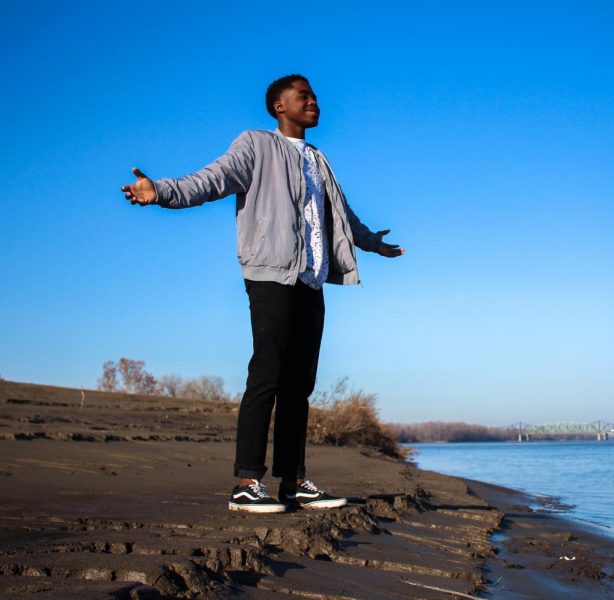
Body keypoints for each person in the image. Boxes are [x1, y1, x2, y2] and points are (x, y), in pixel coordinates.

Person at [120, 74, 403, 513]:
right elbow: (212, 179)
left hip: (310, 279)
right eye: (303, 96)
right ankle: (246, 483)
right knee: (267, 373)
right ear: (278, 106)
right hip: (270, 274)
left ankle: (293, 481)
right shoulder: (256, 145)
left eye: (314, 96)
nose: (314, 102)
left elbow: (341, 213)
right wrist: (162, 192)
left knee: (299, 385)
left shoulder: (318, 159)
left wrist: (372, 244)